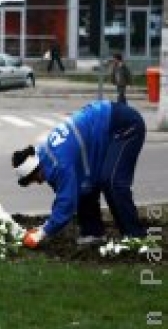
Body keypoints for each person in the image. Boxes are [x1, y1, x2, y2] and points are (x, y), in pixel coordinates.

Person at [12, 99, 147, 249]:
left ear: (37, 169)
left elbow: (67, 202)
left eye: (34, 179)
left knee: (112, 181)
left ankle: (136, 237)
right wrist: (45, 227)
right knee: (82, 186)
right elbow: (70, 191)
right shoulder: (45, 155)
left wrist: (42, 232)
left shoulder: (59, 163)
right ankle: (93, 232)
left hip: (124, 125)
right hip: (104, 128)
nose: (38, 182)